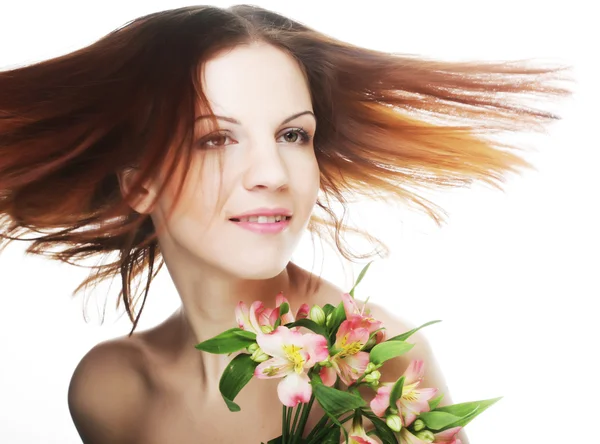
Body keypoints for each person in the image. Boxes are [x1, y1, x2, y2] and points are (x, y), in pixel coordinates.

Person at [0, 4, 572, 443]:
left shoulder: (374, 363)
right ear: (138, 184)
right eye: (216, 138)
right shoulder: (112, 389)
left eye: (293, 134)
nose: (272, 173)